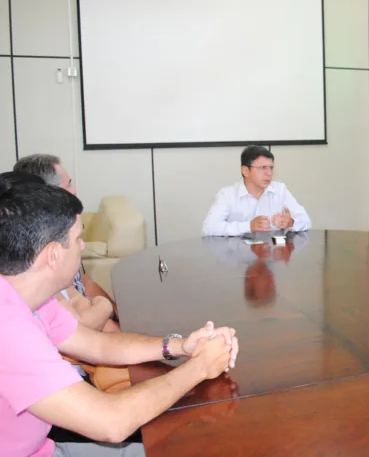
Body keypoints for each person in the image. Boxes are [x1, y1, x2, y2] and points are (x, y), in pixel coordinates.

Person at [0, 182, 239, 457]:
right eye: (78, 239)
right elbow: (110, 422)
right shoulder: (8, 330)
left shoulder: (29, 298)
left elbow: (98, 345)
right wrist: (199, 367)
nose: (83, 247)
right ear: (53, 254)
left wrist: (181, 346)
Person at [0, 170, 118, 334]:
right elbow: (82, 329)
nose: (81, 245)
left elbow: (93, 336)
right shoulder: (35, 281)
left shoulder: (59, 268)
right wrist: (105, 306)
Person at [13, 154, 114, 306]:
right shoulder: (39, 251)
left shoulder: (66, 227)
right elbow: (77, 325)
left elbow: (84, 282)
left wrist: (114, 309)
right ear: (49, 192)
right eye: (68, 185)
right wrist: (106, 309)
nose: (74, 191)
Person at [202, 145, 311, 237]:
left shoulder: (280, 190)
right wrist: (249, 226)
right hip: (238, 259)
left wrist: (291, 223)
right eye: (263, 168)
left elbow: (306, 221)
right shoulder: (227, 195)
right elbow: (209, 227)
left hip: (272, 258)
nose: (269, 173)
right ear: (245, 171)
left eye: (271, 168)